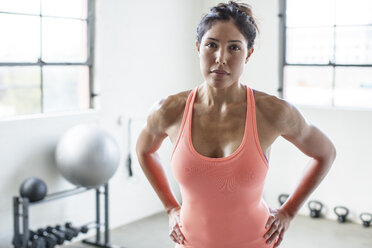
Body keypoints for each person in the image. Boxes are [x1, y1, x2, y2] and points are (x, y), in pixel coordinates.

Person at [136, 1, 336, 248]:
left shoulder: (272, 111)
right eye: (211, 45)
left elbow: (325, 153)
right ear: (198, 47)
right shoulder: (169, 110)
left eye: (234, 48)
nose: (221, 59)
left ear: (248, 53)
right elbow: (144, 151)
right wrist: (169, 207)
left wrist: (288, 211)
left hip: (255, 241)